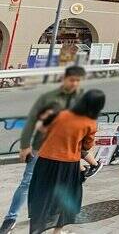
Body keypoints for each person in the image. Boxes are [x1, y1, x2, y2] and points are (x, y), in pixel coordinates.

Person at [0, 66, 85, 234]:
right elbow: (32, 120)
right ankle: (10, 218)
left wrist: (80, 154)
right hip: (42, 149)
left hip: (64, 154)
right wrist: (25, 145)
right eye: (71, 79)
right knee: (27, 183)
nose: (74, 83)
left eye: (77, 80)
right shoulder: (49, 98)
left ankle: (53, 226)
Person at [28, 89, 104, 234]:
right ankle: (57, 231)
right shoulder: (90, 122)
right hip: (67, 165)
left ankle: (36, 231)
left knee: (41, 196)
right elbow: (87, 145)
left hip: (45, 160)